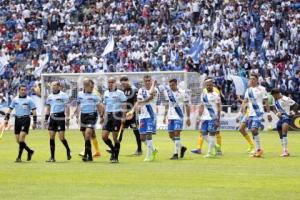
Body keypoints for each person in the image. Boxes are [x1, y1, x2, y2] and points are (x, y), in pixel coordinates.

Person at [128, 75, 158, 162]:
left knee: (149, 134)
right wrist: (132, 111)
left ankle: (149, 155)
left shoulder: (155, 89)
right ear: (143, 82)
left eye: (149, 80)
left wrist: (154, 85)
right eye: (146, 81)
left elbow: (150, 97)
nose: (147, 82)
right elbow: (138, 101)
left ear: (151, 81)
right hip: (142, 116)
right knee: (142, 138)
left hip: (151, 115)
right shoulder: (141, 90)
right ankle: (154, 149)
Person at [4, 85, 37, 162]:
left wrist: (34, 122)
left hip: (26, 119)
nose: (23, 91)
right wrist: (6, 119)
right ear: (19, 90)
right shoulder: (15, 99)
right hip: (17, 120)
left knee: (21, 138)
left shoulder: (30, 100)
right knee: (18, 141)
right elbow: (10, 109)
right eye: (22, 90)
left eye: (25, 90)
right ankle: (30, 151)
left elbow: (34, 112)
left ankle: (19, 157)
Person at [243, 74, 272, 157]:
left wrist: (268, 113)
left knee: (254, 129)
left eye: (253, 79)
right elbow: (245, 101)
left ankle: (258, 149)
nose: (251, 80)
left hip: (258, 112)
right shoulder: (248, 90)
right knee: (253, 131)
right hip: (250, 113)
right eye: (250, 79)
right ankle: (257, 149)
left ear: (257, 80)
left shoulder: (262, 89)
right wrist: (243, 109)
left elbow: (266, 102)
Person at [75, 78, 103, 162]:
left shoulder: (95, 95)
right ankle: (90, 156)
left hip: (92, 116)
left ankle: (86, 155)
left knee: (87, 135)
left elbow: (99, 106)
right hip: (83, 116)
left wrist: (101, 116)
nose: (92, 88)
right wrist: (77, 115)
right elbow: (78, 105)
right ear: (85, 86)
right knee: (85, 137)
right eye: (90, 87)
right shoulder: (80, 94)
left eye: (92, 87)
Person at [163, 78, 190, 160]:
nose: (171, 87)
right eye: (170, 85)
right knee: (171, 135)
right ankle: (182, 148)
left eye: (173, 85)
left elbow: (187, 106)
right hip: (171, 116)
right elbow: (167, 105)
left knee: (176, 134)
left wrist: (188, 118)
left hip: (179, 116)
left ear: (176, 84)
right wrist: (165, 116)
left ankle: (175, 154)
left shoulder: (183, 92)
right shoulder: (168, 93)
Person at [44, 81, 71, 162]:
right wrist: (46, 119)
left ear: (59, 87)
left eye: (55, 85)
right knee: (51, 137)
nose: (53, 87)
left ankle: (68, 149)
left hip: (60, 117)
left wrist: (67, 117)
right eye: (52, 85)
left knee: (61, 137)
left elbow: (67, 107)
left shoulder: (64, 95)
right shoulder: (49, 97)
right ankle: (52, 157)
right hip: (52, 117)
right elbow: (48, 108)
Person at [102, 77, 127, 163]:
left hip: (117, 115)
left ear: (115, 83)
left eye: (112, 82)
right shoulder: (105, 93)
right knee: (104, 137)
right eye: (109, 82)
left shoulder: (120, 93)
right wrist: (104, 116)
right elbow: (105, 105)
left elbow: (124, 104)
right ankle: (113, 149)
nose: (110, 84)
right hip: (108, 116)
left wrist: (124, 116)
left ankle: (115, 157)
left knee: (115, 138)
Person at [192, 84, 222, 155]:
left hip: (212, 117)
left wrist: (218, 119)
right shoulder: (203, 95)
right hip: (205, 118)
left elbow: (218, 108)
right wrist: (199, 116)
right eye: (207, 85)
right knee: (203, 133)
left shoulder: (216, 94)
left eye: (209, 85)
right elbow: (202, 106)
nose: (208, 86)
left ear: (212, 86)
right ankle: (215, 146)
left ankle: (210, 153)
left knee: (213, 134)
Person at [119, 76, 142, 155]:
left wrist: (132, 111)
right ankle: (116, 149)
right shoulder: (121, 91)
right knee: (120, 131)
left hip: (132, 115)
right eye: (122, 84)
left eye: (124, 83)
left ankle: (139, 149)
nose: (123, 85)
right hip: (124, 115)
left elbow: (137, 102)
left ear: (128, 81)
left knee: (136, 131)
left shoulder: (134, 90)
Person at [271, 89, 298, 157]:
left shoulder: (285, 99)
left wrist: (293, 112)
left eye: (274, 95)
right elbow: (273, 107)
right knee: (280, 134)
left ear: (276, 94)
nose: (273, 97)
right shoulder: (275, 100)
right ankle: (284, 149)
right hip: (281, 119)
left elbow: (296, 105)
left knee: (284, 133)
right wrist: (277, 113)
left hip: (286, 118)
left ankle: (285, 151)